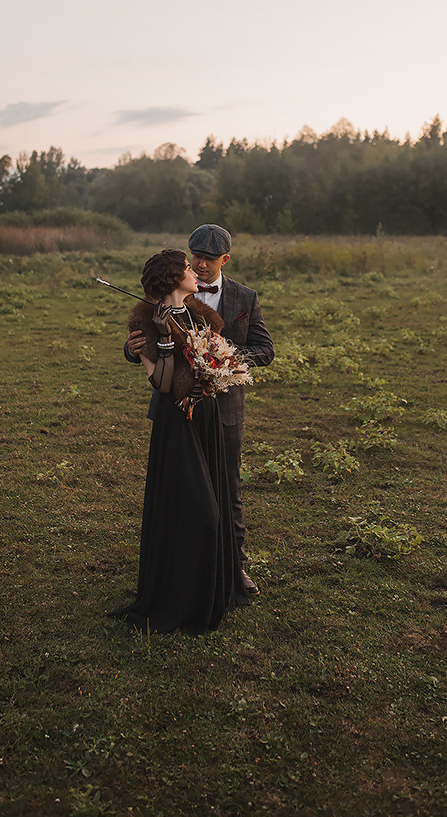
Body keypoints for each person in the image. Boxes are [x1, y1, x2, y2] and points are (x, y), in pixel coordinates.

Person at [125, 224, 274, 595]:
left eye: (209, 259)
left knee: (228, 489)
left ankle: (233, 567)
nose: (201, 264)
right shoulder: (161, 308)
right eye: (195, 257)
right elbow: (148, 351)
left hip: (224, 413)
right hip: (180, 411)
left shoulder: (245, 298)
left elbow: (265, 350)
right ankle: (184, 571)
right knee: (188, 492)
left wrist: (224, 362)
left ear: (226, 259)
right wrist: (132, 350)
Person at [110, 249, 250, 634]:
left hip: (205, 418)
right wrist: (166, 348)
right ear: (174, 277)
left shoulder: (194, 312)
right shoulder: (147, 321)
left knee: (215, 502)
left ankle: (212, 589)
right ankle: (177, 599)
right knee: (199, 512)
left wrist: (219, 369)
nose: (194, 270)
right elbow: (164, 384)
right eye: (188, 267)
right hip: (177, 426)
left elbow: (209, 358)